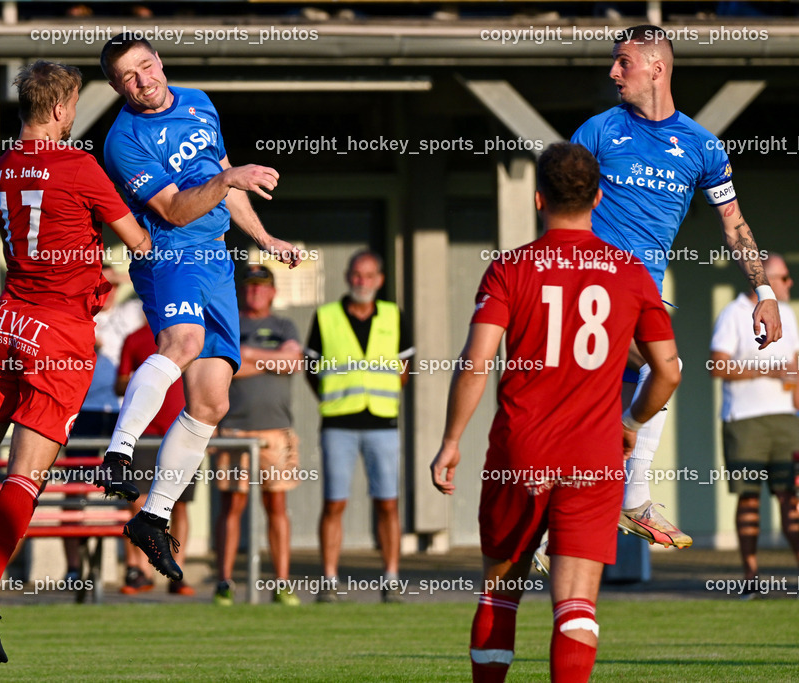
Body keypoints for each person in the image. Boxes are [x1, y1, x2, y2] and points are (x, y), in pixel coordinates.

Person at [0, 60, 150, 663]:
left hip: (6, 319)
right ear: (63, 107)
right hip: (59, 331)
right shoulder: (80, 165)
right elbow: (140, 240)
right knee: (27, 473)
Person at [431, 142, 681, 682]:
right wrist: (631, 425)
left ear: (539, 198)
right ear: (597, 198)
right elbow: (669, 370)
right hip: (594, 455)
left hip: (519, 451)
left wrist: (451, 442)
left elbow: (476, 362)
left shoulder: (509, 268)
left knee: (500, 596)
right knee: (576, 605)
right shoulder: (631, 272)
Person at [95, 33, 300, 582]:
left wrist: (265, 239)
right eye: (128, 78)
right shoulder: (123, 141)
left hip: (216, 262)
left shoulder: (199, 101)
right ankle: (118, 453)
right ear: (117, 88)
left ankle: (153, 516)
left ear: (159, 61)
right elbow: (177, 210)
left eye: (146, 66)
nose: (143, 81)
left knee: (211, 402)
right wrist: (228, 177)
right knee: (181, 344)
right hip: (170, 252)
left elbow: (226, 186)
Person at [571, 24, 781, 549]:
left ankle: (596, 515)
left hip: (645, 294)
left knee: (636, 393)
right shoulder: (596, 132)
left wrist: (766, 294)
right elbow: (558, 204)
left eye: (623, 62)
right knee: (664, 370)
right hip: (591, 288)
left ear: (656, 69)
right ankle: (629, 501)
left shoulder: (702, 148)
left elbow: (734, 225)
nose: (613, 71)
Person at [304, 250, 414, 603]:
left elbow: (404, 369)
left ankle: (392, 578)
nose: (361, 282)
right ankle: (330, 581)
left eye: (368, 275)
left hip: (383, 422)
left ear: (379, 280)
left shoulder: (394, 316)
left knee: (388, 503)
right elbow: (311, 368)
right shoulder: (325, 317)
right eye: (355, 275)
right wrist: (331, 396)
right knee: (334, 503)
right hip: (338, 423)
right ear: (347, 277)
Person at [213, 264, 303, 606]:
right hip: (235, 429)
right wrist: (270, 359)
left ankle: (281, 582)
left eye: (262, 286)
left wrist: (249, 355)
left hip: (276, 430)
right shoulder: (230, 321)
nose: (255, 292)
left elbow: (294, 361)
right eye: (250, 286)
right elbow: (227, 367)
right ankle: (224, 581)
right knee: (232, 505)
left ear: (273, 291)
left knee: (276, 505)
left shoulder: (284, 325)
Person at [709, 253, 799, 596]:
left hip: (785, 420)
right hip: (744, 420)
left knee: (790, 498)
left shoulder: (788, 315)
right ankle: (751, 580)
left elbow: (794, 366)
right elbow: (717, 366)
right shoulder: (733, 314)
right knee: (749, 500)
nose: (790, 284)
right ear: (764, 281)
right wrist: (768, 371)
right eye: (784, 278)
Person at [62, 265, 142, 582]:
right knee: (73, 492)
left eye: (109, 285)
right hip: (83, 412)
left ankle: (135, 566)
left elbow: (152, 277)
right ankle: (72, 568)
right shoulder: (76, 315)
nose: (105, 290)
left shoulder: (130, 314)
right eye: (99, 284)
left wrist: (116, 277)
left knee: (130, 490)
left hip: (122, 411)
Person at [116, 321, 195, 596]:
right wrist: (150, 374)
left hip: (184, 431)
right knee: (137, 503)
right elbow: (120, 383)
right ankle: (141, 569)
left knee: (180, 505)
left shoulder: (192, 334)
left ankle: (177, 572)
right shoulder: (135, 338)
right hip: (145, 433)